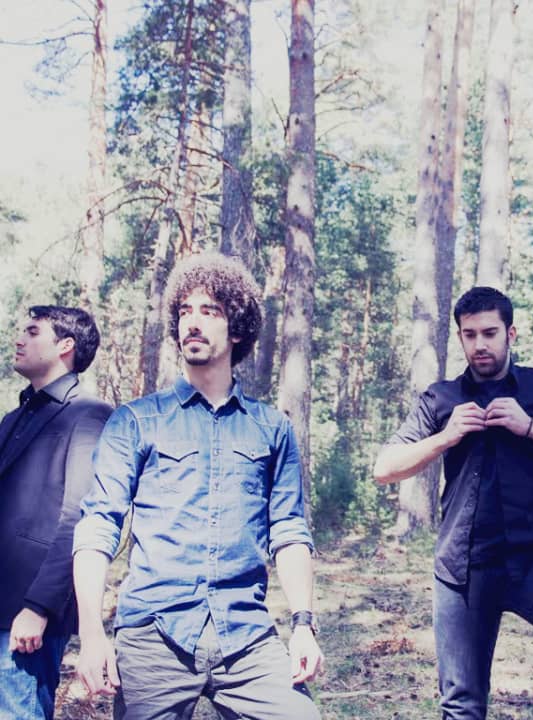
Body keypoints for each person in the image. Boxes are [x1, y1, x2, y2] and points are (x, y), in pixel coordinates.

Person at [72, 253, 322, 720]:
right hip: (153, 635)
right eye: (185, 310)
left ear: (238, 328)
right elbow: (97, 526)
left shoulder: (272, 429)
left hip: (246, 634)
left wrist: (304, 625)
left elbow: (289, 532)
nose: (193, 321)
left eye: (210, 311)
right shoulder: (136, 420)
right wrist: (91, 633)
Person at [374, 286, 533, 720]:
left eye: (490, 333)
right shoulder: (441, 398)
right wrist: (446, 437)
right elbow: (384, 468)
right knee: (461, 703)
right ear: (460, 337)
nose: (480, 344)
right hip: (462, 569)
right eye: (470, 334)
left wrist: (531, 426)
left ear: (510, 333)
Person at [0, 305, 111, 719]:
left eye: (32, 332)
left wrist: (39, 607)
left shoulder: (90, 414)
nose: (19, 339)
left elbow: (81, 517)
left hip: (25, 617)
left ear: (66, 345)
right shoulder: (14, 418)